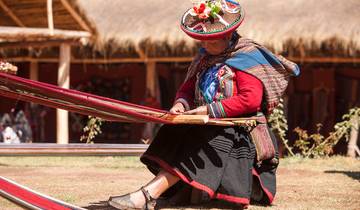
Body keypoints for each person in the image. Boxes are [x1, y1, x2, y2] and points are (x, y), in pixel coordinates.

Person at [108, 0, 300, 209]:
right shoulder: (205, 58)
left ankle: (145, 195)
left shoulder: (247, 57)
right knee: (174, 131)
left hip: (239, 133)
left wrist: (207, 110)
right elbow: (187, 89)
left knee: (204, 138)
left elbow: (249, 100)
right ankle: (175, 192)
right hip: (208, 124)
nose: (205, 46)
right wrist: (181, 105)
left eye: (211, 42)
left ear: (228, 36)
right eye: (202, 41)